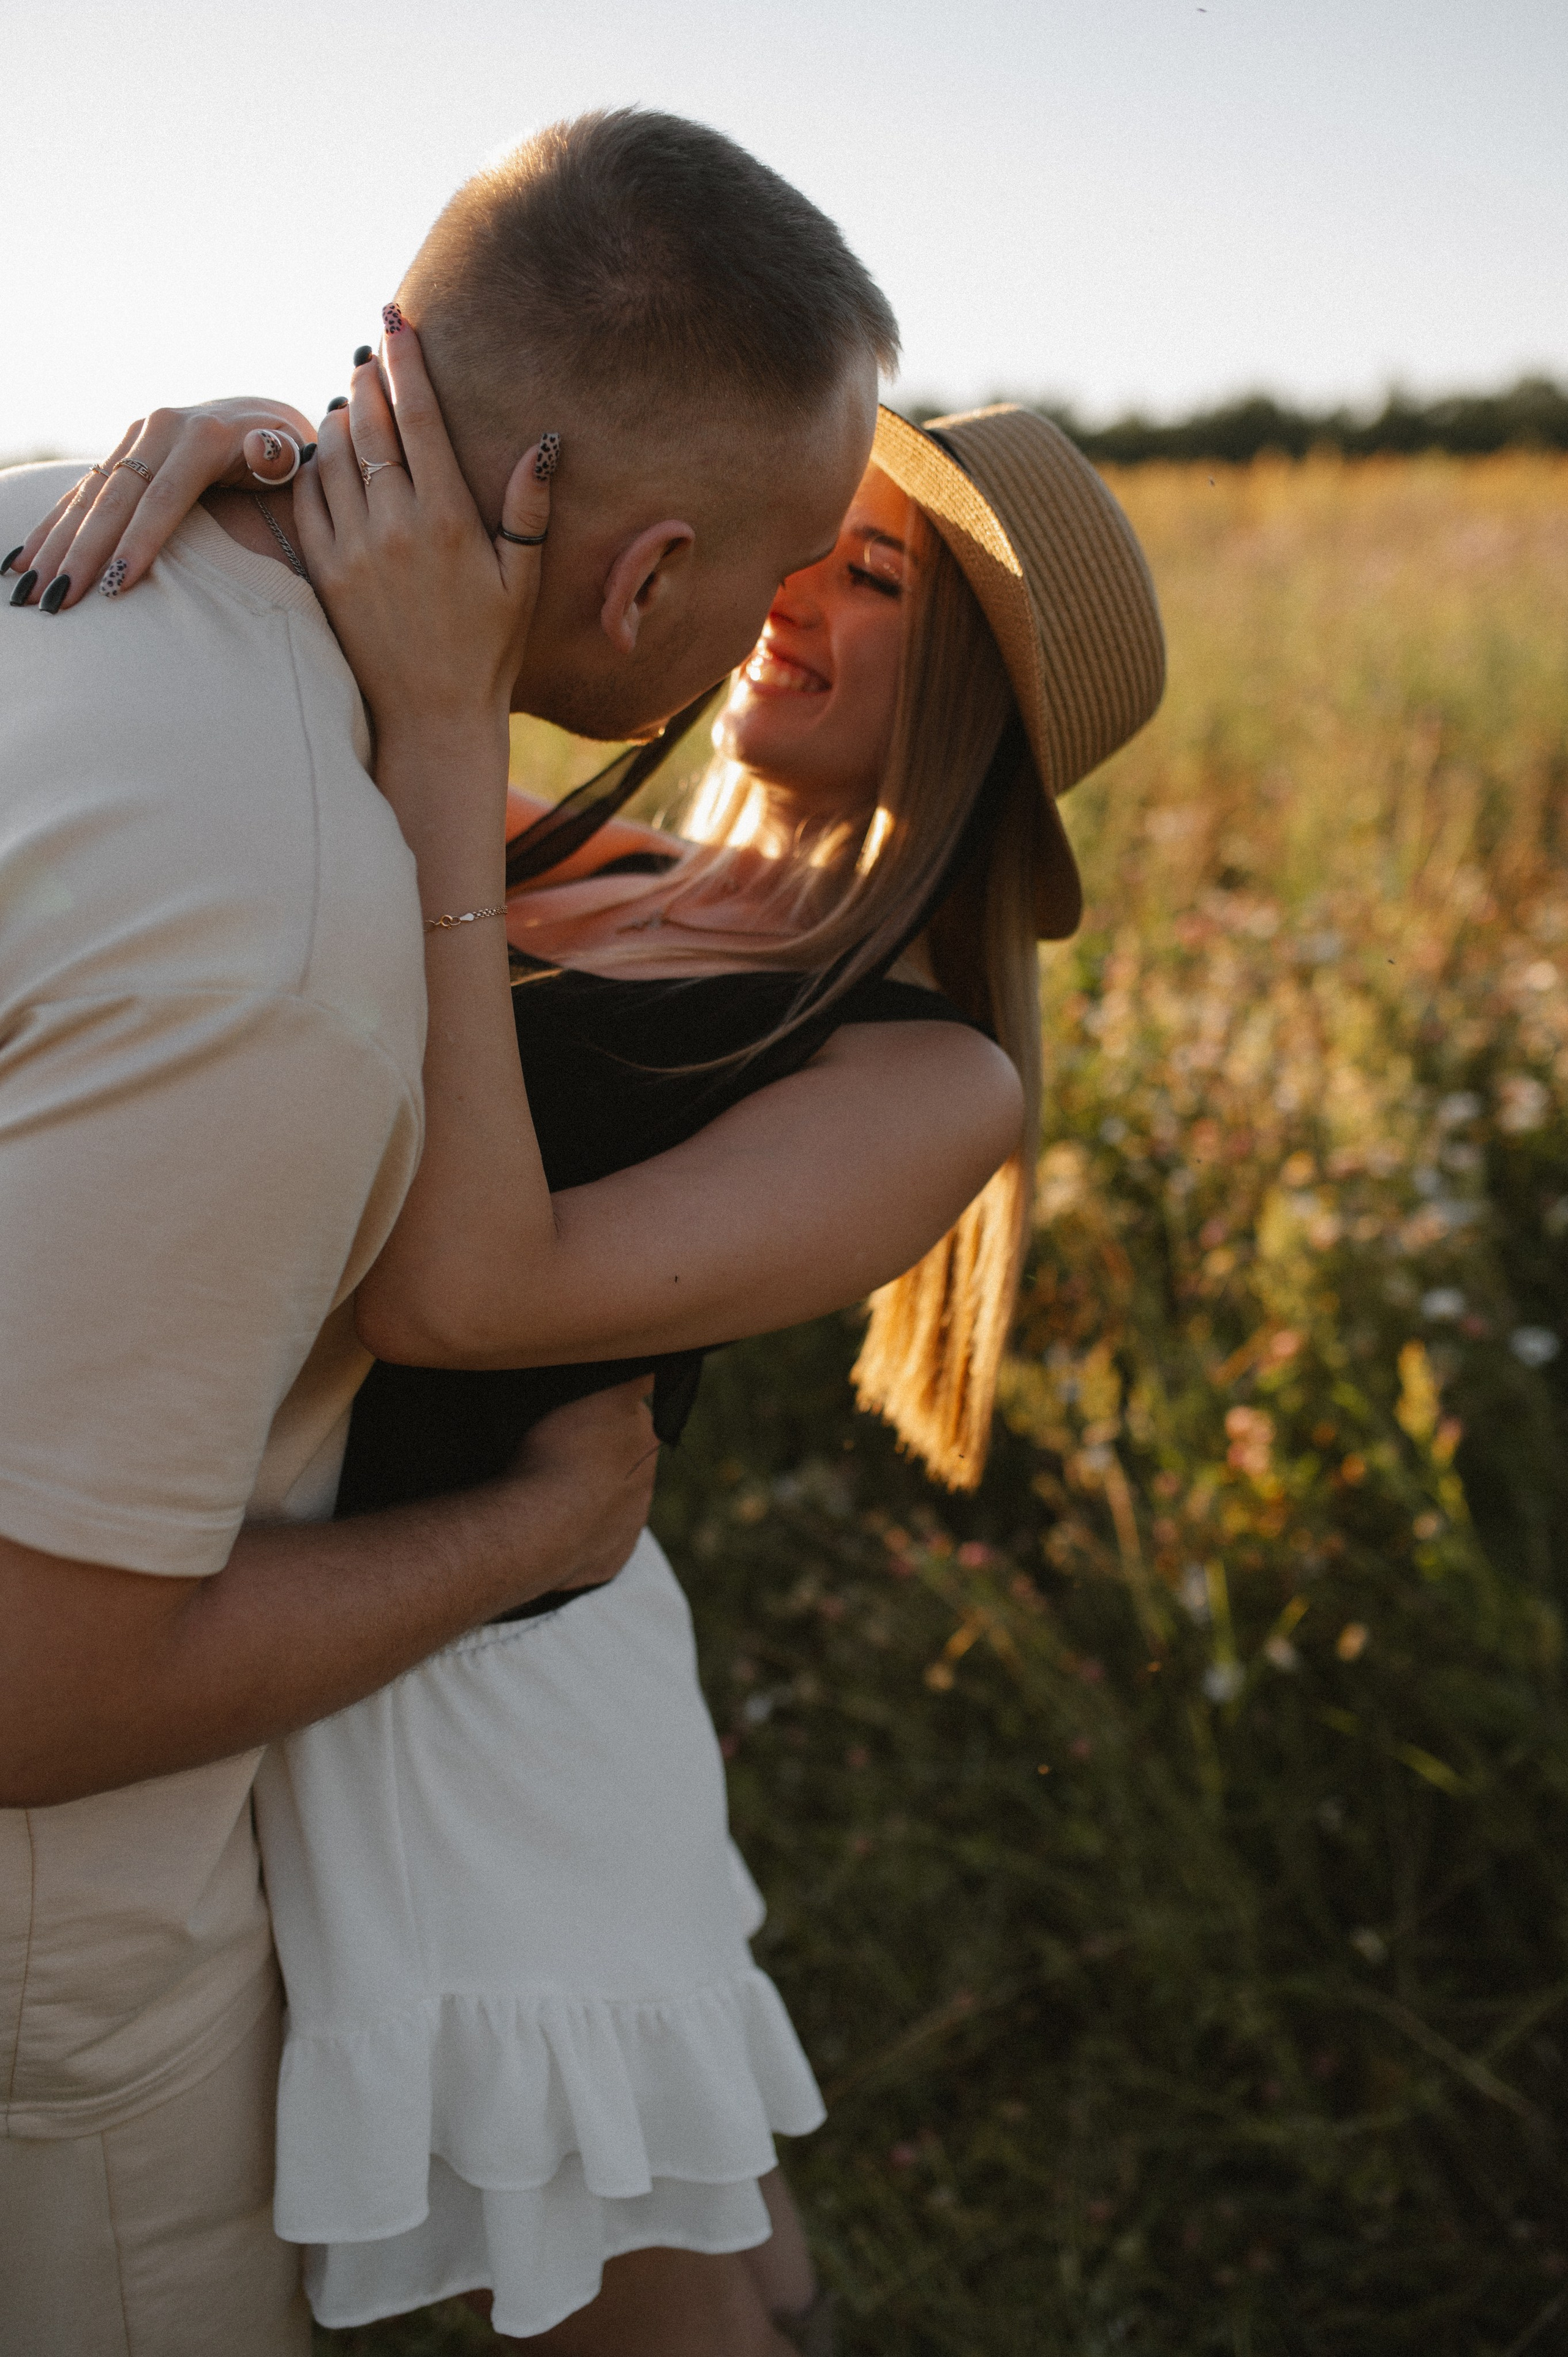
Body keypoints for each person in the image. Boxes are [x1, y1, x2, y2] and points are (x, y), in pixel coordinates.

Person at [56, 320, 1164, 2348]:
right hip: (324, 1615)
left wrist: (457, 741)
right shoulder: (593, 862)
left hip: (493, 1707)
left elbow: (464, 1297)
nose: (788, 596)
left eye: (876, 580)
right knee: (632, 2204)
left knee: (610, 2280)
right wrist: (261, 477)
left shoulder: (929, 1074)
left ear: (983, 712)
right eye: (804, 545)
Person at [0, 109, 900, 2357]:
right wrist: (536, 1535)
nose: (778, 629)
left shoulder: (43, 537)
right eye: (789, 568)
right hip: (70, 1918)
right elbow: (36, 1691)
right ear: (645, 574)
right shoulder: (297, 949)